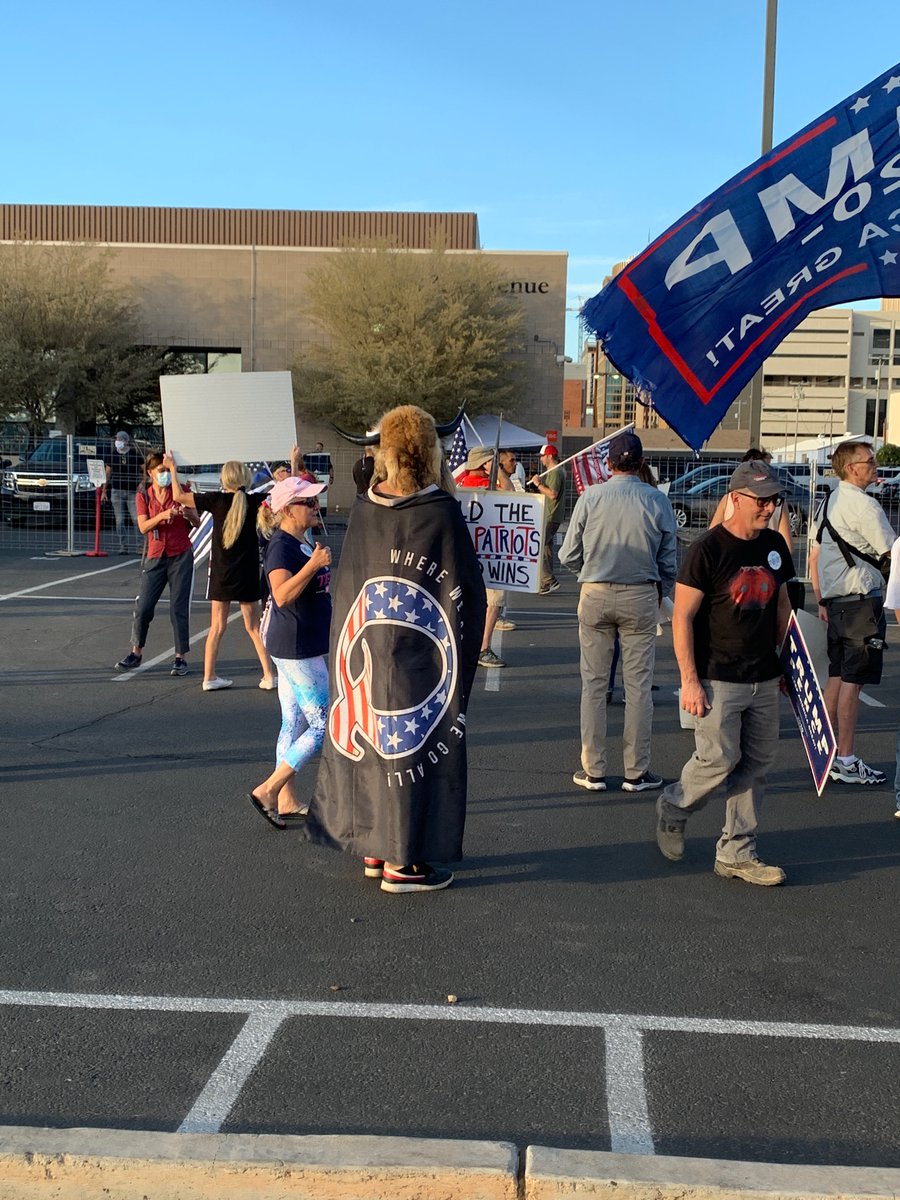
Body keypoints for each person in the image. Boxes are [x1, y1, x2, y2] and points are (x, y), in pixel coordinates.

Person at [305, 404, 487, 893]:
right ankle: (403, 866)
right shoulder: (442, 511)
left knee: (374, 751)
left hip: (366, 650)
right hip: (419, 657)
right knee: (411, 751)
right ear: (431, 451)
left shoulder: (366, 508)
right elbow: (466, 588)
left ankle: (374, 847)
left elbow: (349, 585)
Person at [655, 459, 795, 886]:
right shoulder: (707, 549)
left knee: (756, 764)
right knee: (717, 760)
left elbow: (783, 606)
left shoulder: (773, 545)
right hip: (718, 677)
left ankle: (737, 852)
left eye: (773, 499)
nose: (768, 507)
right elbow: (682, 619)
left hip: (765, 676)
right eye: (760, 499)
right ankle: (674, 808)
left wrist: (792, 664)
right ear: (734, 498)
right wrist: (690, 681)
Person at [559, 431, 677, 793]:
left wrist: (587, 572)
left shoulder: (591, 496)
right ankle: (635, 771)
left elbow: (567, 553)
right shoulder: (657, 500)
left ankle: (593, 769)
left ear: (608, 463)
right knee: (638, 687)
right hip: (640, 594)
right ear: (640, 463)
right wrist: (660, 591)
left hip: (595, 591)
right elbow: (669, 561)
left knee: (593, 685)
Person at [248, 475, 331, 828]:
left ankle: (285, 799)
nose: (315, 507)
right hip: (298, 648)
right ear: (287, 509)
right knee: (322, 724)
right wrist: (313, 566)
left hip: (298, 643)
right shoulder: (281, 546)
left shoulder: (299, 540)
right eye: (308, 502)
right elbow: (280, 594)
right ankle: (268, 789)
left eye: (315, 501)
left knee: (294, 721)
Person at [809, 440, 894, 785]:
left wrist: (820, 597)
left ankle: (827, 753)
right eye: (869, 461)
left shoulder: (828, 501)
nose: (875, 465)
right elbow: (892, 553)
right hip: (861, 603)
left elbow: (815, 553)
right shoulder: (865, 506)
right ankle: (846, 758)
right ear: (850, 468)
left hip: (838, 603)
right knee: (853, 683)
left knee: (837, 677)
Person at [165, 455, 276, 692]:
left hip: (222, 573)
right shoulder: (256, 500)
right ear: (245, 478)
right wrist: (294, 464)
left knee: (216, 626)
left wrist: (173, 469)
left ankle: (209, 676)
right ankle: (268, 675)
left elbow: (177, 496)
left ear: (224, 478)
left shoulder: (215, 500)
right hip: (246, 573)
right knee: (254, 627)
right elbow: (289, 494)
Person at [115, 452, 196, 676]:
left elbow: (196, 521)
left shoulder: (181, 491)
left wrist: (188, 514)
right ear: (150, 473)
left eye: (167, 471)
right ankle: (136, 652)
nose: (165, 476)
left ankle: (180, 657)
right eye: (161, 471)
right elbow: (143, 527)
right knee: (144, 607)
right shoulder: (144, 495)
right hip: (156, 554)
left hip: (180, 554)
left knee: (178, 607)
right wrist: (162, 516)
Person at [455, 445, 515, 666]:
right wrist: (497, 472)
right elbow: (510, 494)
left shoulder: (459, 484)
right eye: (495, 463)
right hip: (486, 554)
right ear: (485, 465)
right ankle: (483, 648)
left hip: (464, 553)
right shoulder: (481, 486)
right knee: (493, 600)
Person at [709, 447, 792, 547]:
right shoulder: (729, 498)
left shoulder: (727, 499)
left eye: (774, 500)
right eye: (761, 500)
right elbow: (712, 538)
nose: (771, 507)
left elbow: (786, 547)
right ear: (736, 499)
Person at [530, 444, 564, 594]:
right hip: (551, 514)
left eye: (543, 456)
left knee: (537, 546)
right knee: (546, 548)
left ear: (550, 456)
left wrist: (538, 484)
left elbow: (552, 494)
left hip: (551, 515)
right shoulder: (553, 471)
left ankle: (549, 580)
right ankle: (546, 581)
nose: (541, 459)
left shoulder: (555, 472)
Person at [103, 431, 144, 554]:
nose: (117, 441)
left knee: (136, 519)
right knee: (119, 520)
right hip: (117, 490)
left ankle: (141, 545)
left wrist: (142, 482)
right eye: (117, 439)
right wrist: (104, 489)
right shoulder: (112, 455)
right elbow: (108, 473)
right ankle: (123, 545)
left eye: (120, 439)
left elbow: (145, 469)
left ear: (126, 441)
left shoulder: (134, 454)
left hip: (132, 490)